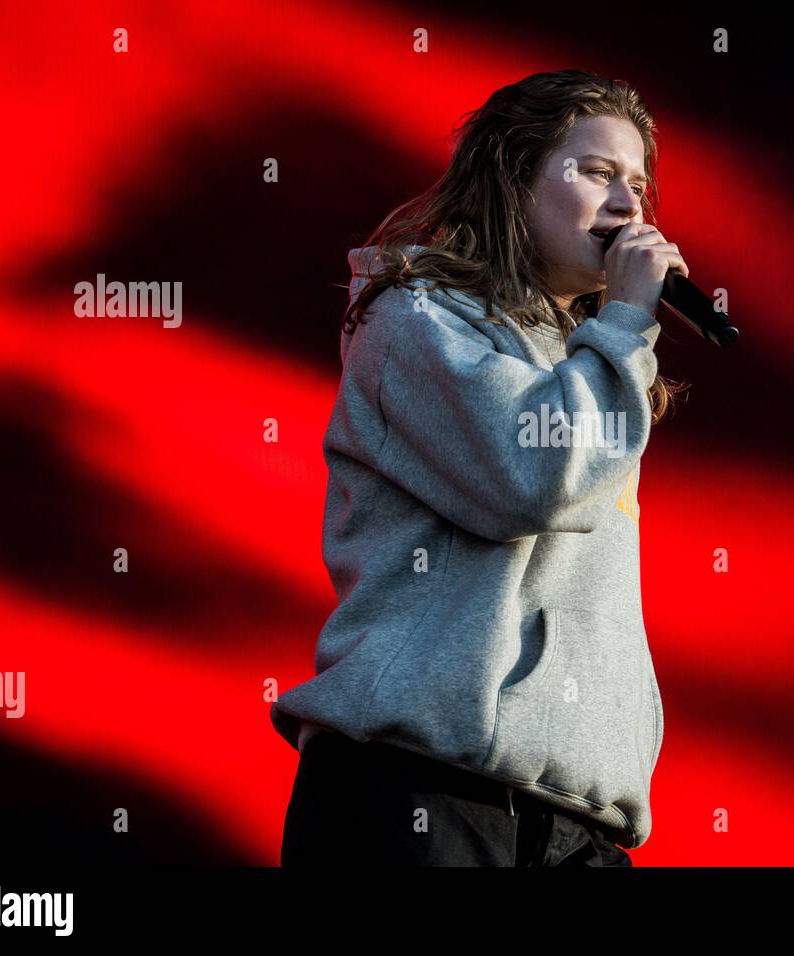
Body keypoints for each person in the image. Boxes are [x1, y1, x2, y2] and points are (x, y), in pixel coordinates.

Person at [272, 69, 690, 866]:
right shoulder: (415, 321)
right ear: (512, 177)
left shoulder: (589, 368)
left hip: (579, 823)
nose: (630, 204)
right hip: (425, 796)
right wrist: (629, 324)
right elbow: (534, 478)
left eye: (638, 183)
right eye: (598, 172)